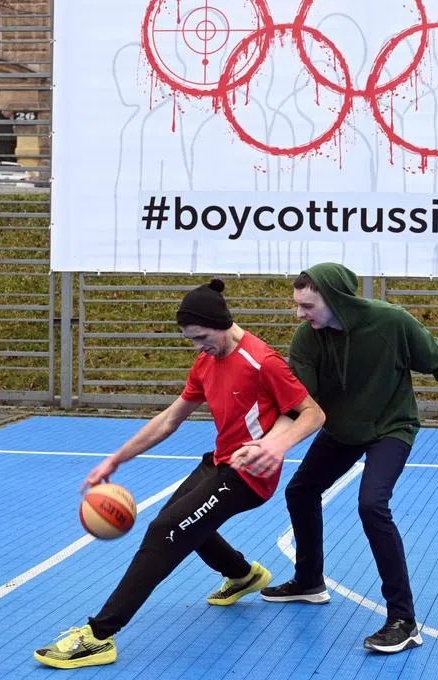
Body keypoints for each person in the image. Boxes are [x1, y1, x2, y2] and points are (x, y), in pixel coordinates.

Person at [34, 278, 324, 670]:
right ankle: (242, 575)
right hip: (220, 460)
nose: (197, 345)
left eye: (201, 336)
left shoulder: (262, 362)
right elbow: (171, 418)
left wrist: (277, 446)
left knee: (166, 531)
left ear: (222, 323)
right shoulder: (207, 361)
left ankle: (99, 636)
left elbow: (313, 413)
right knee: (176, 522)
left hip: (249, 475)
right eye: (191, 339)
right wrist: (116, 459)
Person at [236, 262, 438, 654]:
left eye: (308, 306)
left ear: (337, 300)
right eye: (297, 305)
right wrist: (269, 442)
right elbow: (300, 406)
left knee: (371, 505)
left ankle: (404, 619)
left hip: (390, 427)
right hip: (341, 430)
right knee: (300, 491)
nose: (299, 314)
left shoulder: (391, 322)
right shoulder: (308, 338)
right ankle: (309, 581)